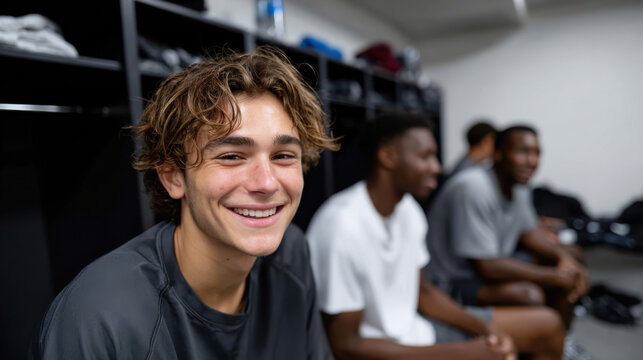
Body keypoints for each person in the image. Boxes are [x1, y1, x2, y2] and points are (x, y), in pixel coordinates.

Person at [30, 47, 337, 359]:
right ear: (173, 177)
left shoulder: (292, 254)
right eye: (231, 156)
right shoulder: (100, 316)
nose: (267, 183)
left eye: (283, 156)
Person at [307, 114, 565, 360]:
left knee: (549, 326)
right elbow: (346, 347)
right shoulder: (341, 226)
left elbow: (424, 292)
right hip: (381, 350)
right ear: (388, 156)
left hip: (416, 329)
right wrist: (465, 354)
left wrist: (485, 329)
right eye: (426, 157)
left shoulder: (408, 210)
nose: (437, 168)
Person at [425, 125, 589, 331]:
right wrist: (553, 276)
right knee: (529, 294)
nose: (532, 161)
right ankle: (536, 342)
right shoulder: (473, 187)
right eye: (523, 152)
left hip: (491, 262)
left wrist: (562, 259)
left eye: (537, 153)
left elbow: (529, 233)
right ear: (498, 154)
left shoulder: (519, 185)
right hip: (452, 282)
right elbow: (487, 266)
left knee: (572, 255)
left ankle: (562, 344)